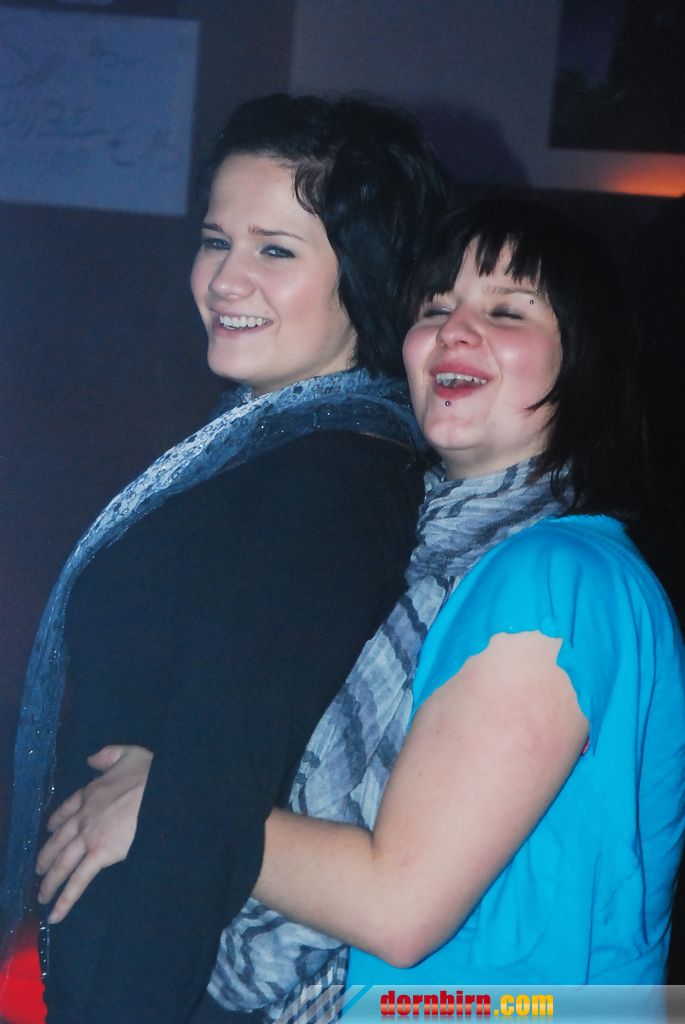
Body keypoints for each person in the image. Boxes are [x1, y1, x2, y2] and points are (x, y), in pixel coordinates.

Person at [0, 94, 451, 1024]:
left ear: (361, 274)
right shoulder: (268, 449)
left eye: (274, 251)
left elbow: (214, 788)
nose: (224, 280)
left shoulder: (322, 481)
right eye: (216, 240)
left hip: (167, 986)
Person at [248, 197, 685, 985]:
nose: (454, 329)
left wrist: (167, 808)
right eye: (434, 306)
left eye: (507, 310)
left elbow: (397, 906)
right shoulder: (433, 566)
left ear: (582, 362)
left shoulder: (552, 574)